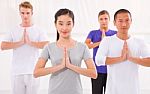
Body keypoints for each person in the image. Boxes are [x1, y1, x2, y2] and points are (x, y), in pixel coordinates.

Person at [33, 8, 97, 94]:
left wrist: (70, 66)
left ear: (73, 24)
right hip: (54, 91)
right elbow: (36, 73)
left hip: (75, 91)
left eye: (68, 23)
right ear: (55, 25)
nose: (64, 28)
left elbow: (93, 73)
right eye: (61, 24)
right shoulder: (49, 47)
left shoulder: (83, 47)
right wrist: (60, 66)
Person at [95, 9, 150, 94]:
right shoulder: (107, 41)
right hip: (113, 91)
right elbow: (98, 60)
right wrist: (120, 58)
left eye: (127, 20)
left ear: (131, 21)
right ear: (114, 22)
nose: (124, 24)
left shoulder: (139, 41)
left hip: (133, 90)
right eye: (120, 21)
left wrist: (131, 58)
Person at [1, 1, 49, 94]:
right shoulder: (13, 30)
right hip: (17, 72)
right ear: (19, 13)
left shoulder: (39, 30)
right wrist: (20, 42)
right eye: (22, 13)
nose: (25, 16)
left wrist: (30, 43)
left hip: (33, 71)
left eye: (27, 13)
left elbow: (47, 45)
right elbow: (3, 46)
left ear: (32, 13)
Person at [85, 10, 117, 94]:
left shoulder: (115, 33)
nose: (104, 21)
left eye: (106, 18)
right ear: (98, 20)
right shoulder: (93, 33)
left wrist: (106, 42)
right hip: (96, 70)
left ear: (109, 20)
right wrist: (101, 42)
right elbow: (86, 46)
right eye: (101, 19)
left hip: (111, 70)